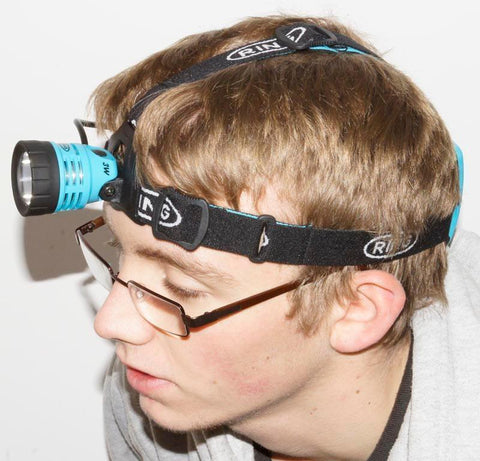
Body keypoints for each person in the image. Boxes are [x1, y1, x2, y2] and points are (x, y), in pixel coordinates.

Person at [80, 15, 480, 460]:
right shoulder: (156, 395)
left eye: (182, 288)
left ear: (356, 309)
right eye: (119, 253)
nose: (111, 323)